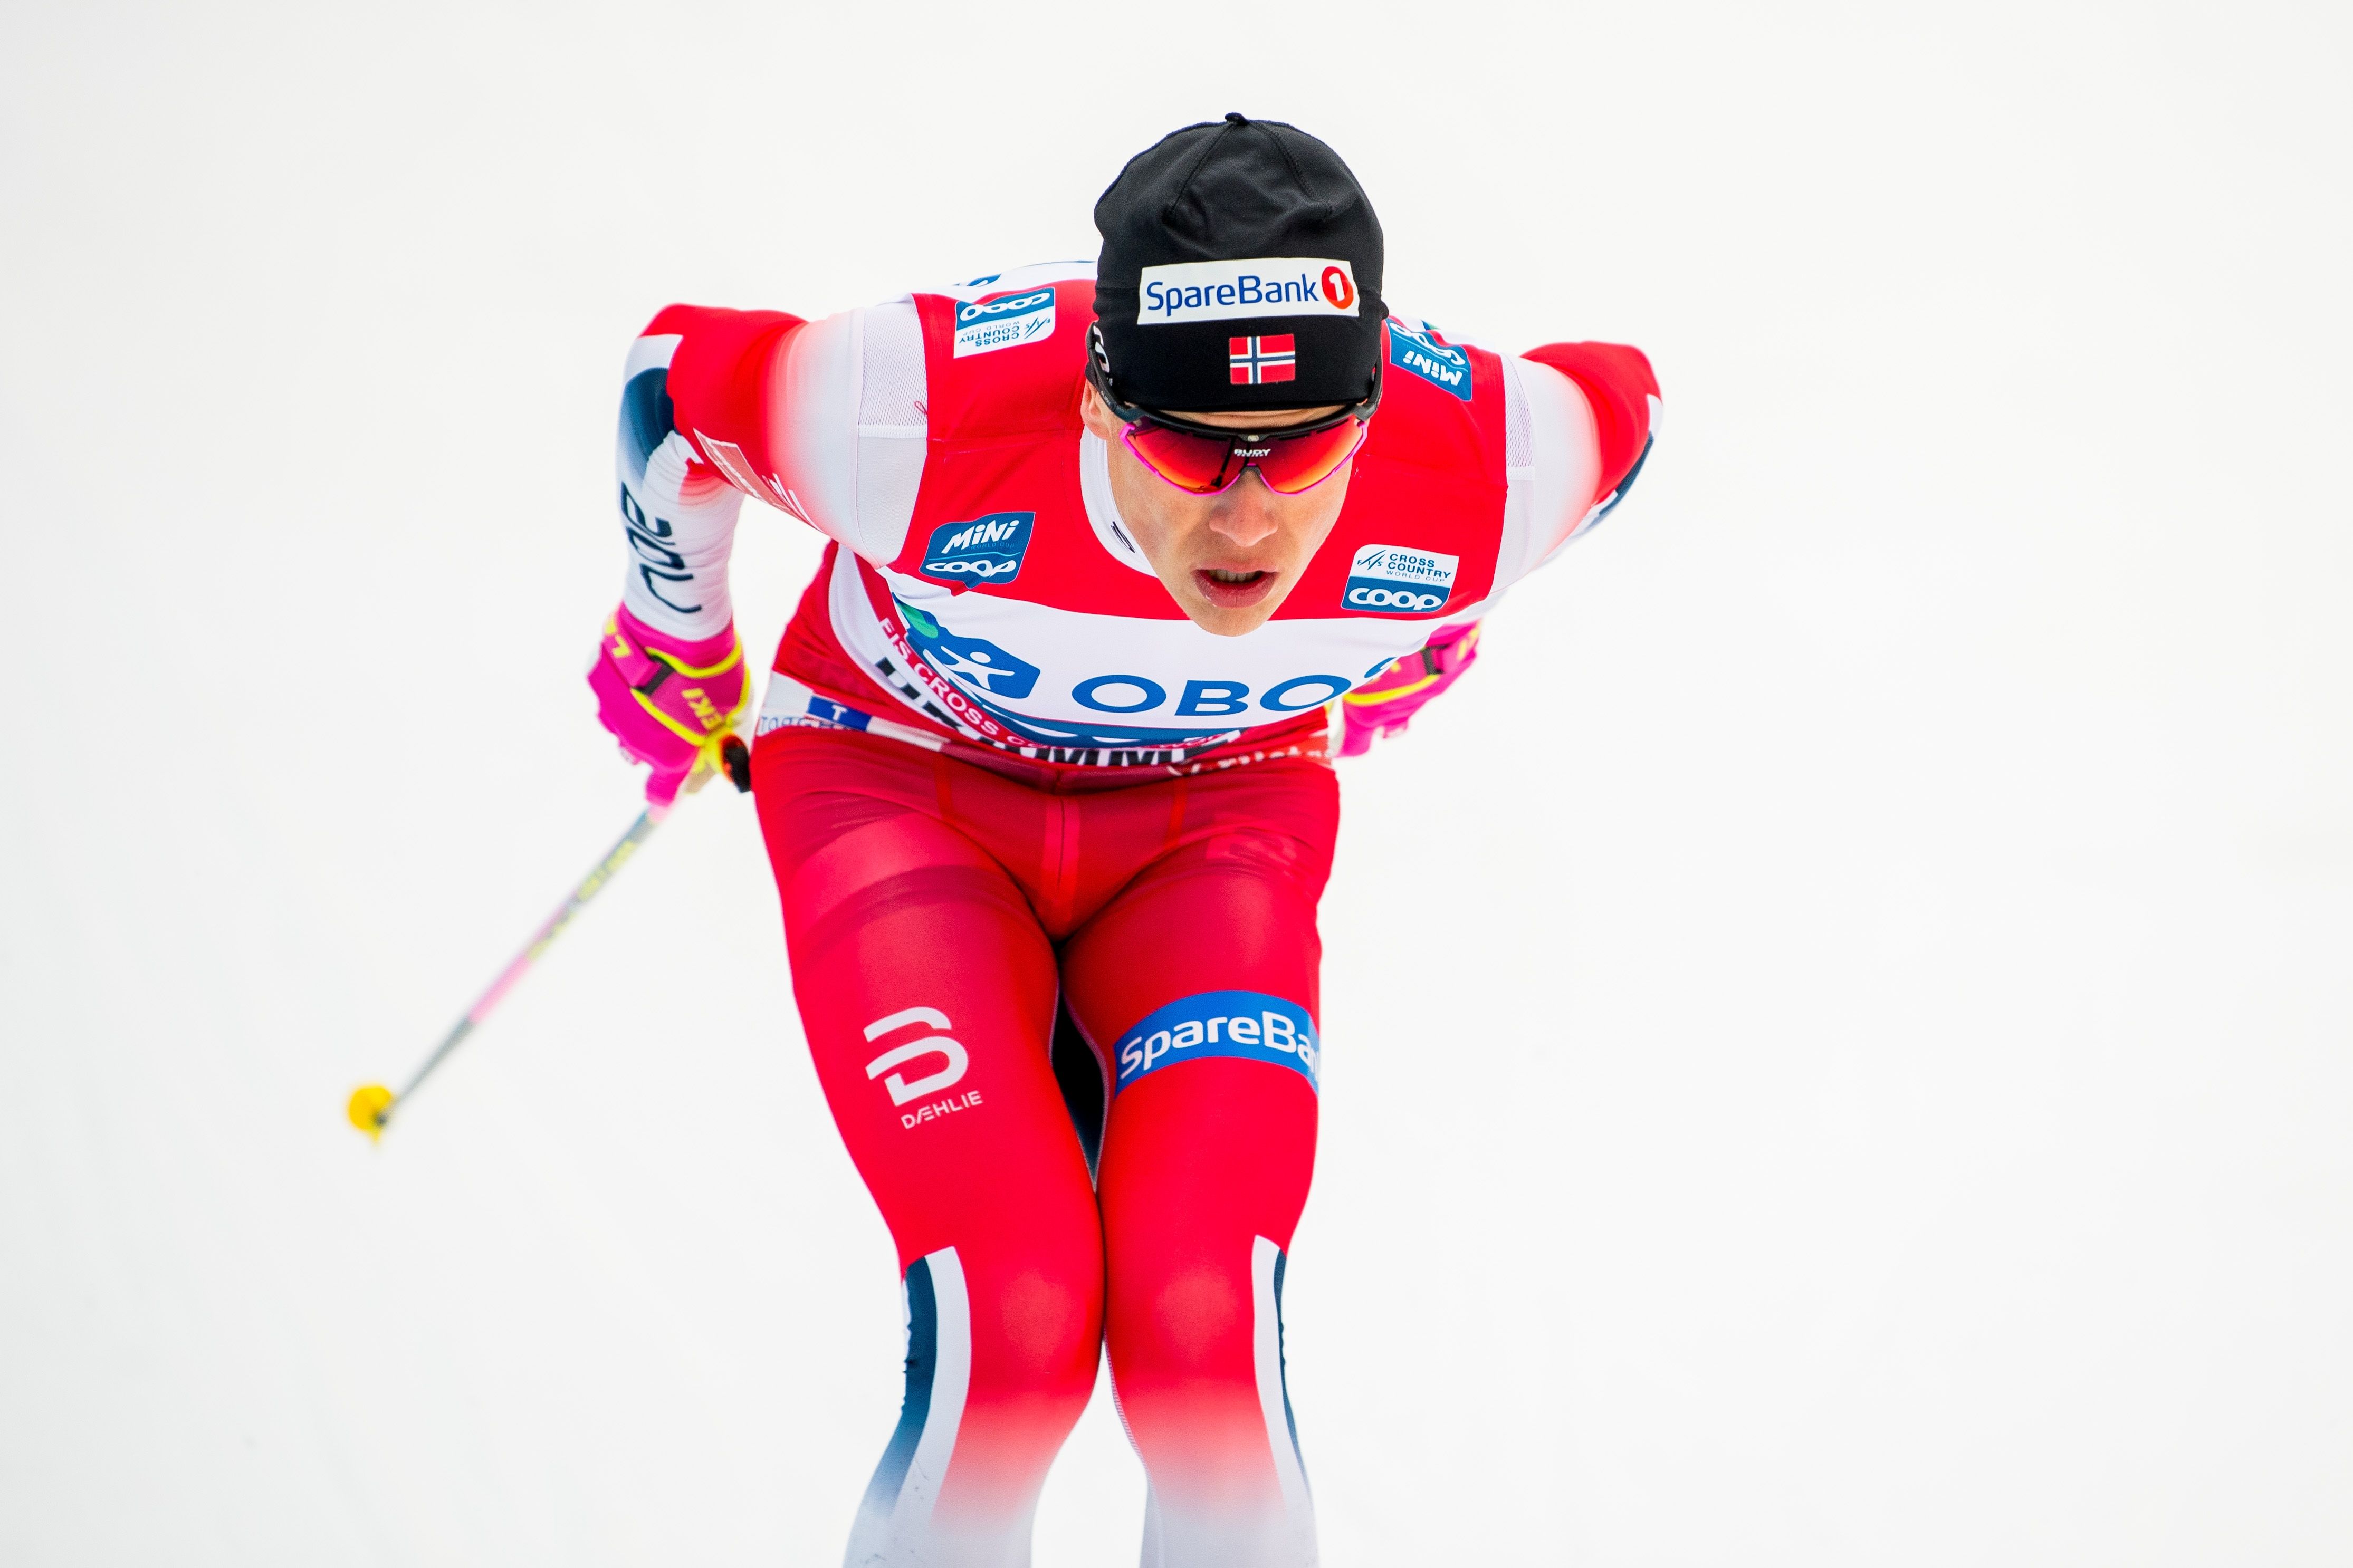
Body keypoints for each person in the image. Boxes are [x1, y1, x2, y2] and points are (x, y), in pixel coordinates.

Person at [587, 113, 1657, 1568]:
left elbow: (1631, 409)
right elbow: (674, 382)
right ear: (1097, 403)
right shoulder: (904, 412)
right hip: (901, 783)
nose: (1247, 522)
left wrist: (1434, 627)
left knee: (1204, 1333)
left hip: (1216, 820)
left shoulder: (1501, 464)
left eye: (1304, 451)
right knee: (1011, 1327)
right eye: (1185, 450)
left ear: (1372, 414)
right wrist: (675, 633)